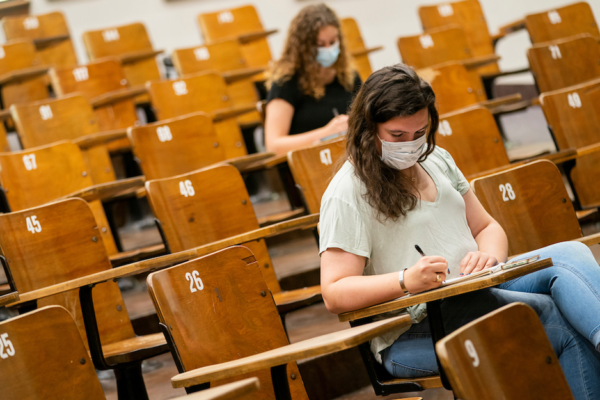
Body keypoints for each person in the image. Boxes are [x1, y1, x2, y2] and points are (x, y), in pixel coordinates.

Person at [319, 63, 600, 400]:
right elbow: (334, 292)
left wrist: (490, 255)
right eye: (397, 136)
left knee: (570, 253)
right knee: (554, 319)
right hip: (415, 327)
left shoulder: (436, 158)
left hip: (474, 285)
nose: (410, 144)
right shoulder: (346, 192)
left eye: (419, 132)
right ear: (368, 129)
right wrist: (405, 280)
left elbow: (486, 227)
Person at [265, 3, 361, 156]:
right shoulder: (286, 82)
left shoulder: (348, 76)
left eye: (333, 42)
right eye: (320, 44)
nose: (329, 49)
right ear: (303, 47)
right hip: (312, 164)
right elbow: (274, 146)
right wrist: (326, 133)